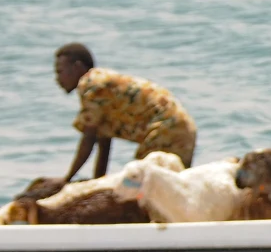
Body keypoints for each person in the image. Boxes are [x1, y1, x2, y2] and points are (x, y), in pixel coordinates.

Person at [53, 43, 196, 182]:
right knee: (171, 187)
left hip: (165, 130)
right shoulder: (101, 86)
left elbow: (88, 138)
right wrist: (98, 181)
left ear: (77, 67)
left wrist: (67, 179)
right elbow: (104, 142)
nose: (57, 79)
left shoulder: (91, 84)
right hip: (182, 129)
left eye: (60, 72)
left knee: (136, 185)